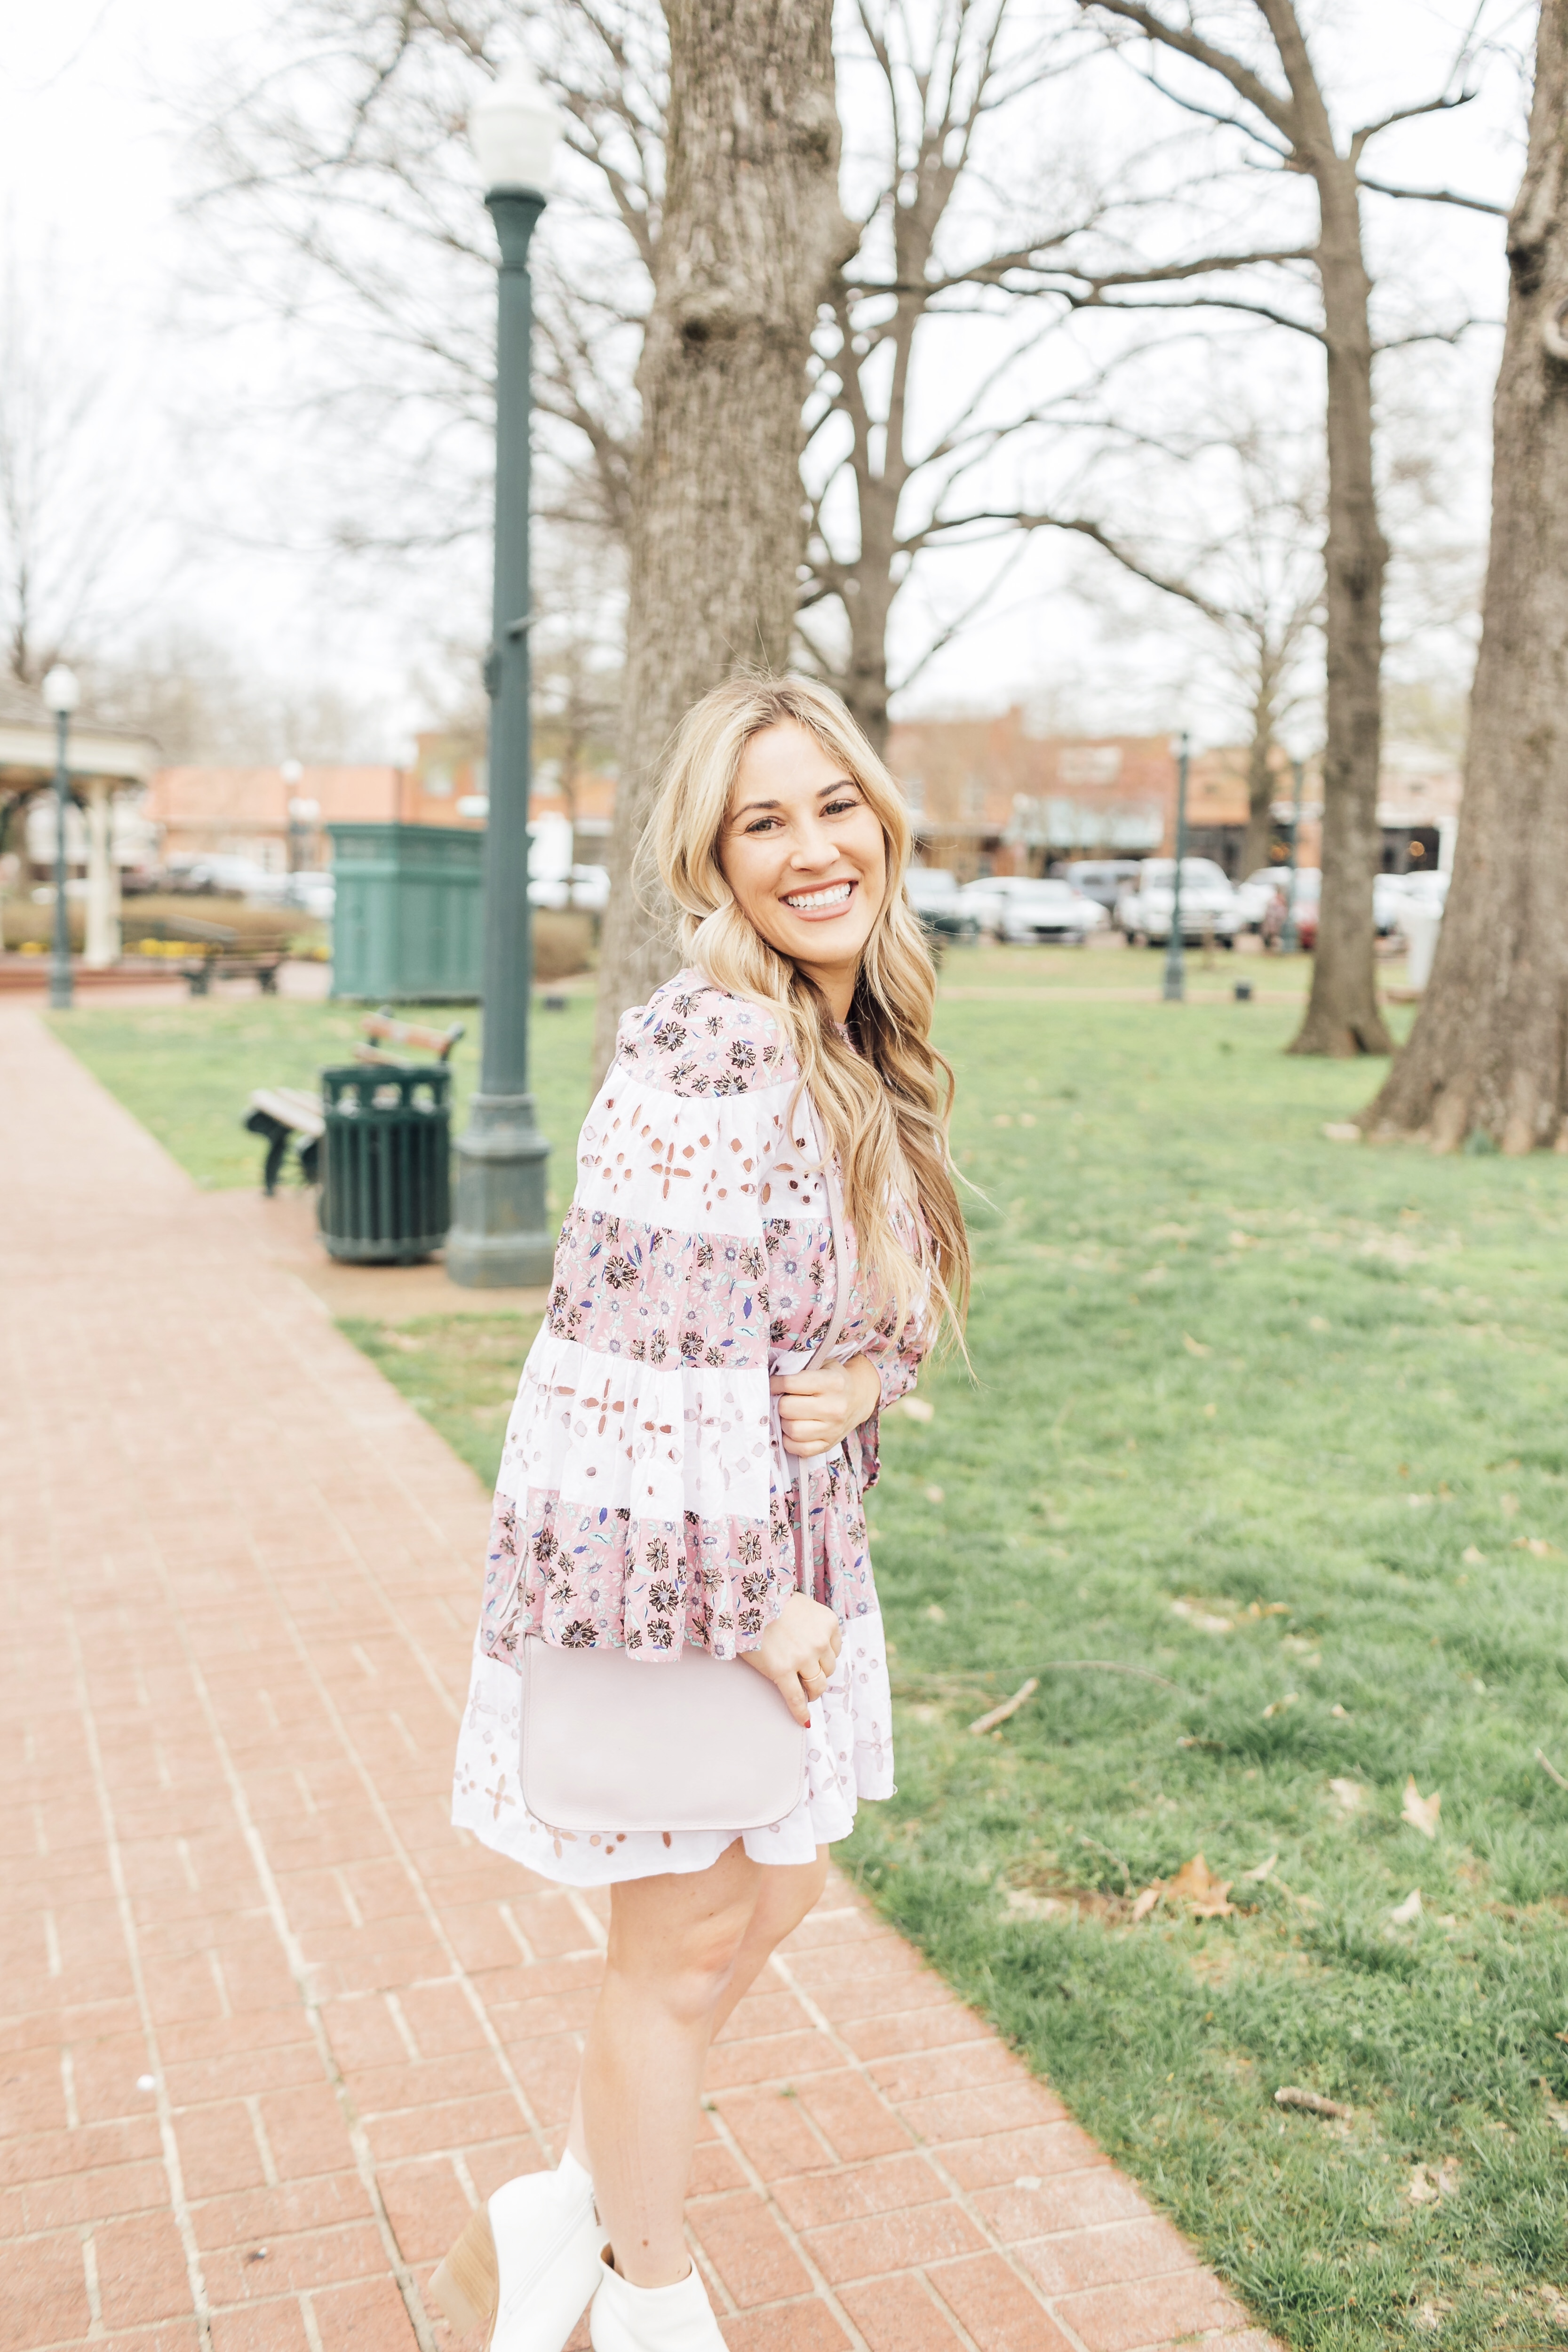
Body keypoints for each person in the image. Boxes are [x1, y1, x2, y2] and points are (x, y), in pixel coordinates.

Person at [434, 674, 970, 2352]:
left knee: (781, 1893)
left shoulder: (847, 1028)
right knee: (674, 1951)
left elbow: (864, 1298)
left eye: (836, 805)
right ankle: (648, 2298)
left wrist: (872, 1379)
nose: (815, 848)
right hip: (699, 1567)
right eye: (766, 821)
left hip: (788, 1547)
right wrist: (753, 1602)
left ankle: (553, 2216)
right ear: (711, 862)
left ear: (880, 816)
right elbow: (620, 1360)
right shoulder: (712, 1039)